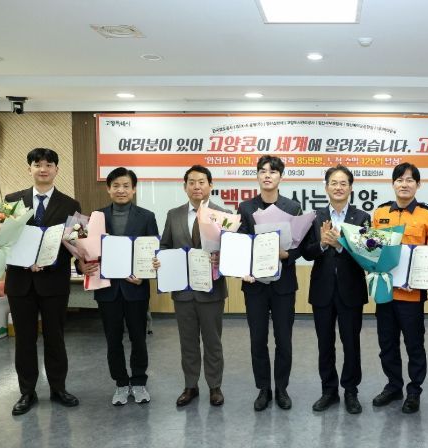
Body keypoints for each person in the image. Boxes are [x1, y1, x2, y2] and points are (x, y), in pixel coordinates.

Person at [5, 148, 81, 416]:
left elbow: (75, 244)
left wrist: (68, 258)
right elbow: (5, 241)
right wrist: (23, 258)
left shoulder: (70, 205)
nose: (43, 169)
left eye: (49, 165)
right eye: (37, 164)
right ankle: (27, 391)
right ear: (30, 169)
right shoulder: (12, 201)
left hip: (54, 282)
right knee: (24, 340)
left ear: (56, 169)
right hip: (20, 282)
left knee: (55, 338)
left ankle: (58, 388)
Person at [77, 167, 159, 406]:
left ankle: (139, 381)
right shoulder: (96, 217)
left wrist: (145, 276)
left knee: (138, 338)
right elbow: (84, 252)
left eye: (126, 186)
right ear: (108, 189)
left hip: (136, 289)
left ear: (133, 189)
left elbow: (153, 252)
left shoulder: (147, 217)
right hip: (107, 289)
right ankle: (121, 383)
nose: (121, 190)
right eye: (116, 186)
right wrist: (81, 265)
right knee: (113, 339)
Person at [371, 162, 428, 414]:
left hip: (412, 295)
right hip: (385, 291)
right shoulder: (380, 213)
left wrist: (424, 278)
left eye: (410, 180)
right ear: (393, 184)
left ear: (418, 185)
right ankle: (393, 386)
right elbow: (371, 249)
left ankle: (414, 392)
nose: (404, 184)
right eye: (400, 180)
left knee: (414, 345)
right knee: (387, 344)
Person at [155, 165, 229, 407]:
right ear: (185, 186)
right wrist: (160, 259)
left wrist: (222, 258)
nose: (197, 186)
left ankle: (215, 386)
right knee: (187, 342)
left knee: (212, 342)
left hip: (211, 290)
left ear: (210, 185)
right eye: (192, 182)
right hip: (183, 291)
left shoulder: (224, 214)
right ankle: (190, 386)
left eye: (201, 182)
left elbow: (232, 250)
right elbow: (165, 245)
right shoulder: (173, 215)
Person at [302, 165, 370, 414]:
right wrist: (321, 243)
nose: (338, 187)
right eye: (334, 183)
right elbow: (306, 252)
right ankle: (328, 391)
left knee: (351, 343)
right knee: (325, 344)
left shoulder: (362, 217)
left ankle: (351, 391)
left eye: (343, 183)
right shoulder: (315, 217)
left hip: (351, 290)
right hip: (322, 290)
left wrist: (341, 245)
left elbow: (367, 255)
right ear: (326, 187)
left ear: (351, 188)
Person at [237, 155, 303, 411]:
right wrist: (243, 268)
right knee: (258, 339)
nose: (267, 175)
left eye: (273, 171)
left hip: (283, 284)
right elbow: (240, 243)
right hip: (254, 285)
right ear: (257, 175)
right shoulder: (246, 208)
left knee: (284, 340)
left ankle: (282, 388)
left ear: (280, 177)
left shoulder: (293, 207)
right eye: (263, 171)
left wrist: (287, 255)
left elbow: (301, 246)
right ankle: (263, 389)